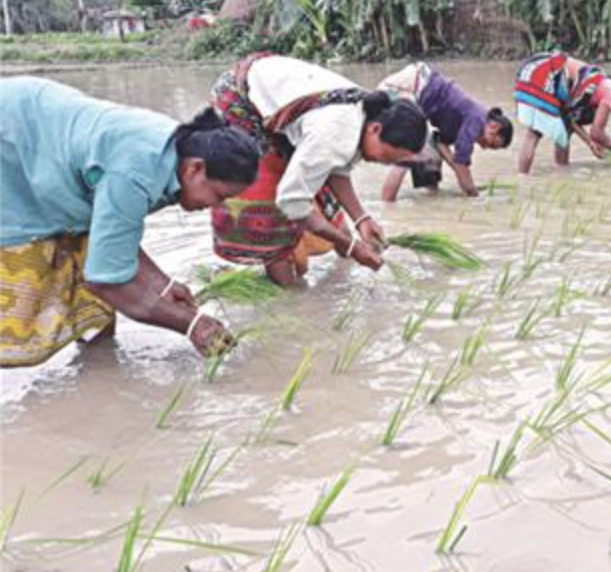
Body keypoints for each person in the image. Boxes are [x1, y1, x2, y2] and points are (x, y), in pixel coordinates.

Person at [0, 77, 260, 368]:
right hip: (14, 140)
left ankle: (100, 374)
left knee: (96, 293)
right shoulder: (135, 173)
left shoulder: (176, 154)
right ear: (194, 169)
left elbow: (116, 233)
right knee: (20, 303)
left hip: (36, 117)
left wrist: (162, 284)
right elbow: (105, 281)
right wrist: (191, 324)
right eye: (219, 195)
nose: (217, 206)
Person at [210, 54, 428, 287]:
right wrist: (351, 246)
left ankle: (326, 282)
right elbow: (291, 202)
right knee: (272, 218)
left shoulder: (367, 114)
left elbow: (337, 167)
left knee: (330, 213)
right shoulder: (334, 130)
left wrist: (362, 220)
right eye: (388, 156)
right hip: (242, 100)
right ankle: (291, 297)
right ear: (375, 129)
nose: (384, 163)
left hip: (282, 104)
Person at [377, 62, 514, 200]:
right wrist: (474, 195)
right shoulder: (476, 119)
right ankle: (387, 203)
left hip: (417, 84)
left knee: (429, 155)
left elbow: (440, 143)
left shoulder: (462, 124)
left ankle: (430, 199)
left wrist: (459, 171)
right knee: (406, 153)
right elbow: (461, 163)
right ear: (494, 127)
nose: (484, 147)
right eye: (491, 143)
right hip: (413, 84)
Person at [514, 52, 611, 174]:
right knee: (534, 134)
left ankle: (561, 171)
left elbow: (569, 118)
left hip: (535, 68)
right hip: (544, 72)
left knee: (563, 131)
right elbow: (597, 133)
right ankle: (523, 179)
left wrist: (590, 142)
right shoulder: (610, 91)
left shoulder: (599, 86)